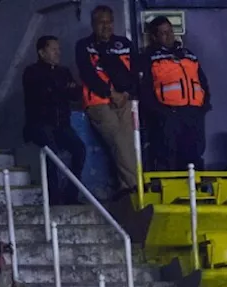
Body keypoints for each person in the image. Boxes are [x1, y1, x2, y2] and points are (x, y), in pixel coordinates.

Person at [76, 4, 138, 196]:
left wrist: (126, 95)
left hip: (124, 101)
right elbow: (87, 74)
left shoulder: (124, 44)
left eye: (109, 22)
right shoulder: (84, 45)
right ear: (93, 24)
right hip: (98, 101)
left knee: (128, 142)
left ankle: (126, 187)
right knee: (119, 140)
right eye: (101, 22)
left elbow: (135, 73)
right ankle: (136, 185)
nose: (106, 26)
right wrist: (111, 94)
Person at [22, 36, 86, 205]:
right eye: (53, 49)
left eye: (59, 49)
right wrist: (61, 89)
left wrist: (61, 89)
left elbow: (75, 93)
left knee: (79, 150)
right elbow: (42, 94)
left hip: (62, 125)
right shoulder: (32, 72)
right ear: (42, 52)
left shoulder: (63, 72)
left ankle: (71, 195)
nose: (58, 53)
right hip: (40, 124)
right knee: (51, 151)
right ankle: (53, 197)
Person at [143, 15, 209, 171]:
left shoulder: (188, 54)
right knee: (169, 156)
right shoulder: (149, 57)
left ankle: (196, 191)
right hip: (168, 115)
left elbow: (203, 81)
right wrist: (159, 112)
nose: (169, 36)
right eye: (164, 33)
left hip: (193, 113)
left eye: (170, 31)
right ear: (154, 37)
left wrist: (203, 107)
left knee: (195, 154)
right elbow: (145, 88)